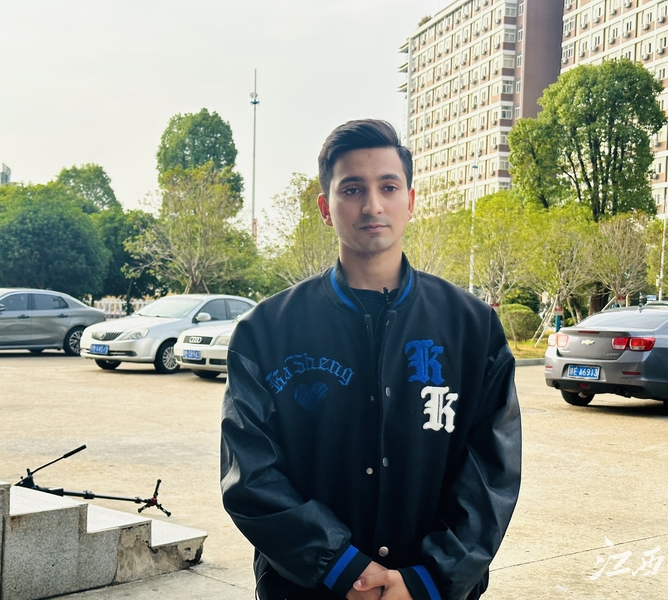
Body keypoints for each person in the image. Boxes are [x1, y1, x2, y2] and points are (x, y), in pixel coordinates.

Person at [220, 119, 521, 600]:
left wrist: (425, 579)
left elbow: (492, 471)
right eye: (352, 189)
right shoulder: (267, 331)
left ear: (411, 201)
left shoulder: (471, 327)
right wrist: (341, 569)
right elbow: (250, 475)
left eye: (388, 187)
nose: (373, 205)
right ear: (326, 207)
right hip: (308, 590)